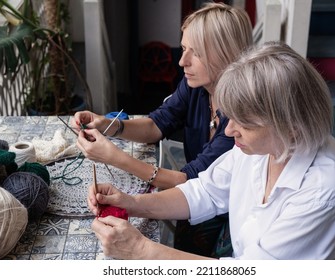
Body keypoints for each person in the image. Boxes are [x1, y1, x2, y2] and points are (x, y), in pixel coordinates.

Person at [87, 41, 335, 260]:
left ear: (291, 126)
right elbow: (205, 191)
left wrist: (141, 249)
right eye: (229, 115)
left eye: (244, 123)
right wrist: (132, 203)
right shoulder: (266, 146)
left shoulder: (324, 192)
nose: (228, 130)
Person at [71, 2, 253, 257]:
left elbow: (189, 181)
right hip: (196, 200)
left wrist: (115, 157)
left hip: (226, 218)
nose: (182, 61)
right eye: (184, 48)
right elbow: (158, 123)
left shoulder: (242, 124)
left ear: (227, 55)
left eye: (195, 53)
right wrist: (109, 125)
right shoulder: (197, 88)